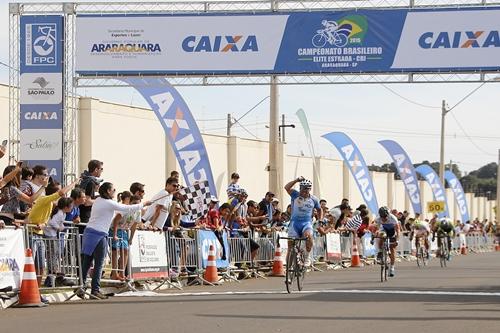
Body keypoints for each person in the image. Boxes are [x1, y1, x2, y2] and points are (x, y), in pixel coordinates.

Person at [79, 182, 151, 299]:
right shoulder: (109, 203)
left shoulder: (98, 200)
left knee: (86, 262)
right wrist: (144, 204)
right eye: (113, 189)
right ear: (108, 191)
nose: (115, 191)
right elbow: (127, 208)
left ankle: (81, 288)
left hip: (89, 232)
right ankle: (95, 290)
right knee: (98, 264)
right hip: (99, 234)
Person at [284, 177, 322, 267]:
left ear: (310, 189)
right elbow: (286, 187)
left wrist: (320, 220)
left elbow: (320, 210)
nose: (304, 192)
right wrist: (296, 180)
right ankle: (288, 271)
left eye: (307, 190)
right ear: (300, 188)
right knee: (290, 248)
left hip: (306, 223)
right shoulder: (295, 195)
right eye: (303, 189)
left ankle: (307, 257)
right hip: (294, 224)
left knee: (308, 236)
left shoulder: (314, 199)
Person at [110, 191, 141, 281]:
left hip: (124, 231)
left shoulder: (138, 211)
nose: (136, 206)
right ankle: (114, 273)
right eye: (134, 203)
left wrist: (131, 238)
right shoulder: (125, 209)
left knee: (125, 251)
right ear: (130, 202)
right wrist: (115, 234)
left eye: (138, 204)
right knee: (116, 251)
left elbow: (134, 225)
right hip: (115, 229)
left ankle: (122, 273)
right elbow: (116, 220)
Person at [44, 197, 74, 287]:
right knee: (52, 255)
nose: (72, 208)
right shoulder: (60, 213)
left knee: (55, 254)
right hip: (50, 234)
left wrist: (62, 226)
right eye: (71, 206)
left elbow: (59, 223)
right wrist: (59, 227)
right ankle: (51, 277)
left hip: (53, 235)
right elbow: (52, 222)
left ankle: (52, 277)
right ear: (65, 207)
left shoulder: (63, 214)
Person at [374, 206, 400, 277]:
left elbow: (398, 230)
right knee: (381, 235)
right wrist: (374, 236)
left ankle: (392, 267)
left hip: (392, 231)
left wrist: (397, 240)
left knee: (392, 249)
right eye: (382, 217)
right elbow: (375, 229)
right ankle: (380, 251)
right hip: (384, 230)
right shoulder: (377, 219)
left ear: (388, 215)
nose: (384, 218)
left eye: (385, 216)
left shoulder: (393, 218)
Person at [79, 160, 104, 224]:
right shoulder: (91, 182)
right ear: (96, 169)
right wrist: (101, 200)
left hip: (79, 213)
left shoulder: (84, 179)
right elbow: (87, 202)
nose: (102, 171)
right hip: (85, 215)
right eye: (101, 169)